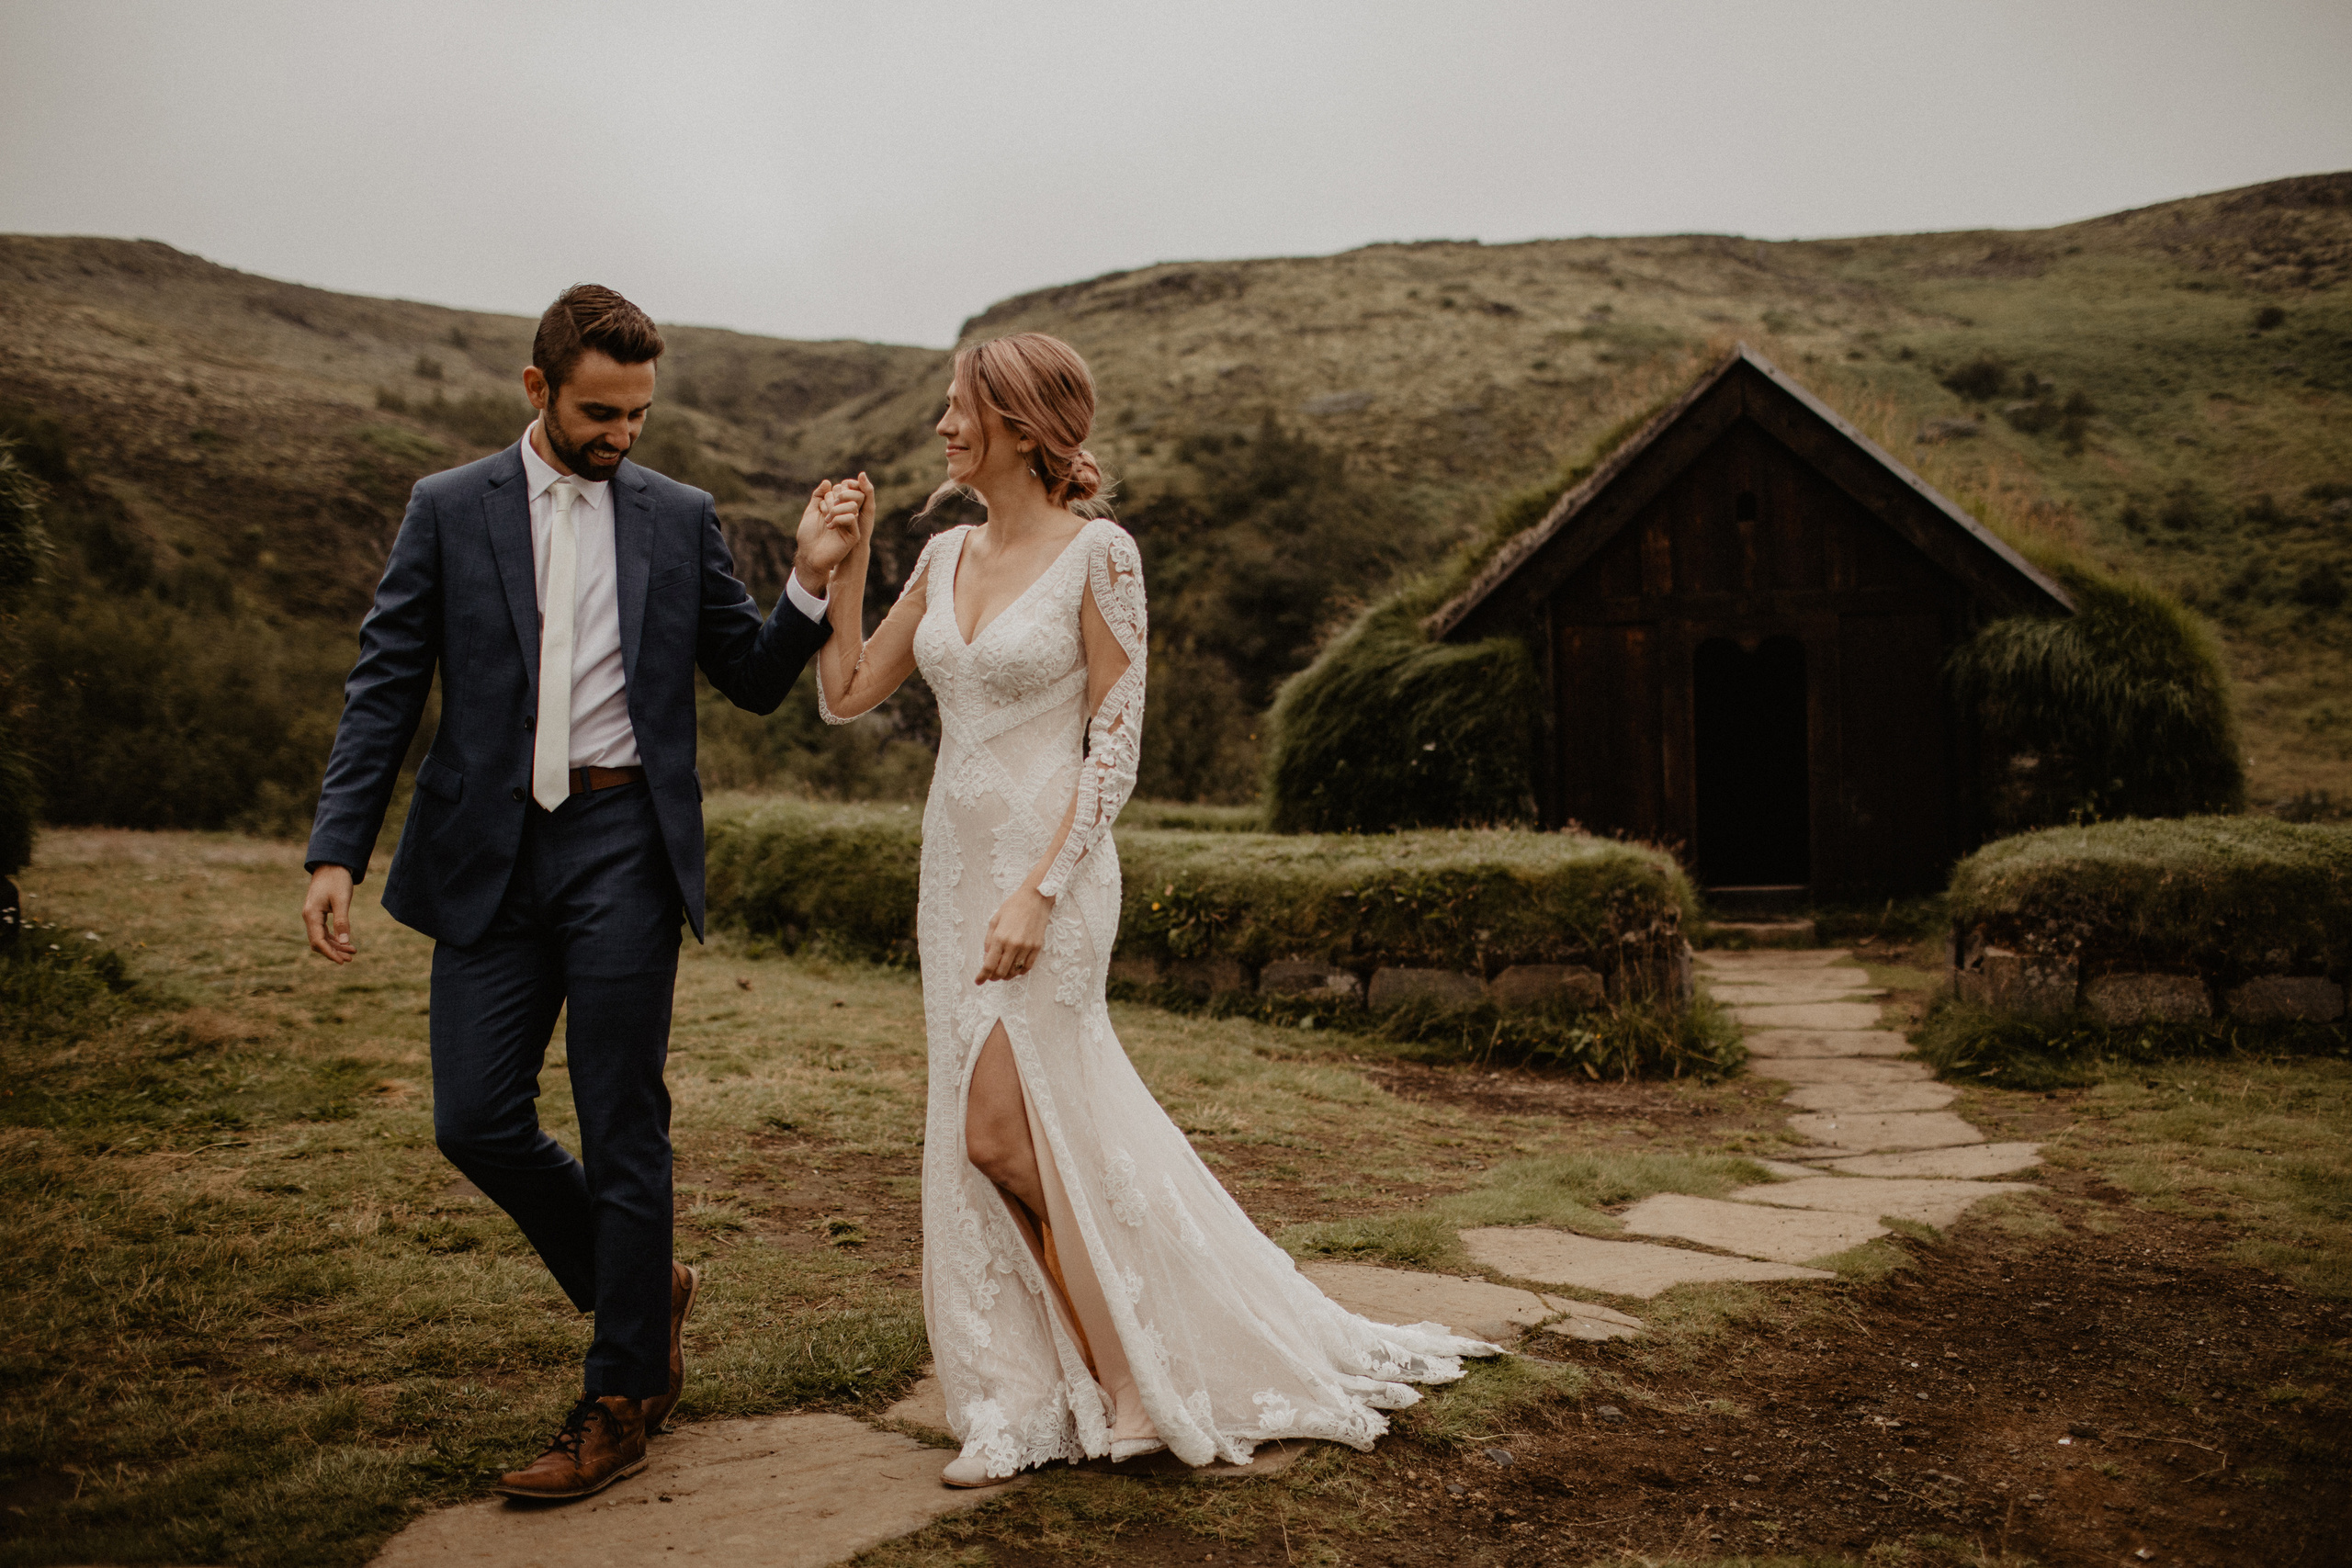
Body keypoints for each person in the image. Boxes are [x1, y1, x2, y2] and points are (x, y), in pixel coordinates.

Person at [805, 332, 1496, 1488]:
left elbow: (1114, 749)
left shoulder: (1101, 556)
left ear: (1022, 426)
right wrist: (848, 560)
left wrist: (1041, 888)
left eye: (958, 407)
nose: (940, 427)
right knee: (1024, 1134)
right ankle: (1043, 1386)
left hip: (1052, 877)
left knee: (998, 1132)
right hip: (951, 875)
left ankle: (1128, 1381)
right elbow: (840, 696)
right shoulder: (939, 557)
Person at [299, 285, 854, 1500]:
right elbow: (385, 682)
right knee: (475, 1116)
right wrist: (335, 846)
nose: (622, 434)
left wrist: (809, 583)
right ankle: (642, 1290)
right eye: (601, 411)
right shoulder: (447, 507)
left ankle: (618, 1395)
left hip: (622, 839)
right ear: (536, 387)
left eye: (640, 413)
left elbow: (751, 677)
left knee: (623, 1117)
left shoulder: (679, 515)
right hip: (483, 850)